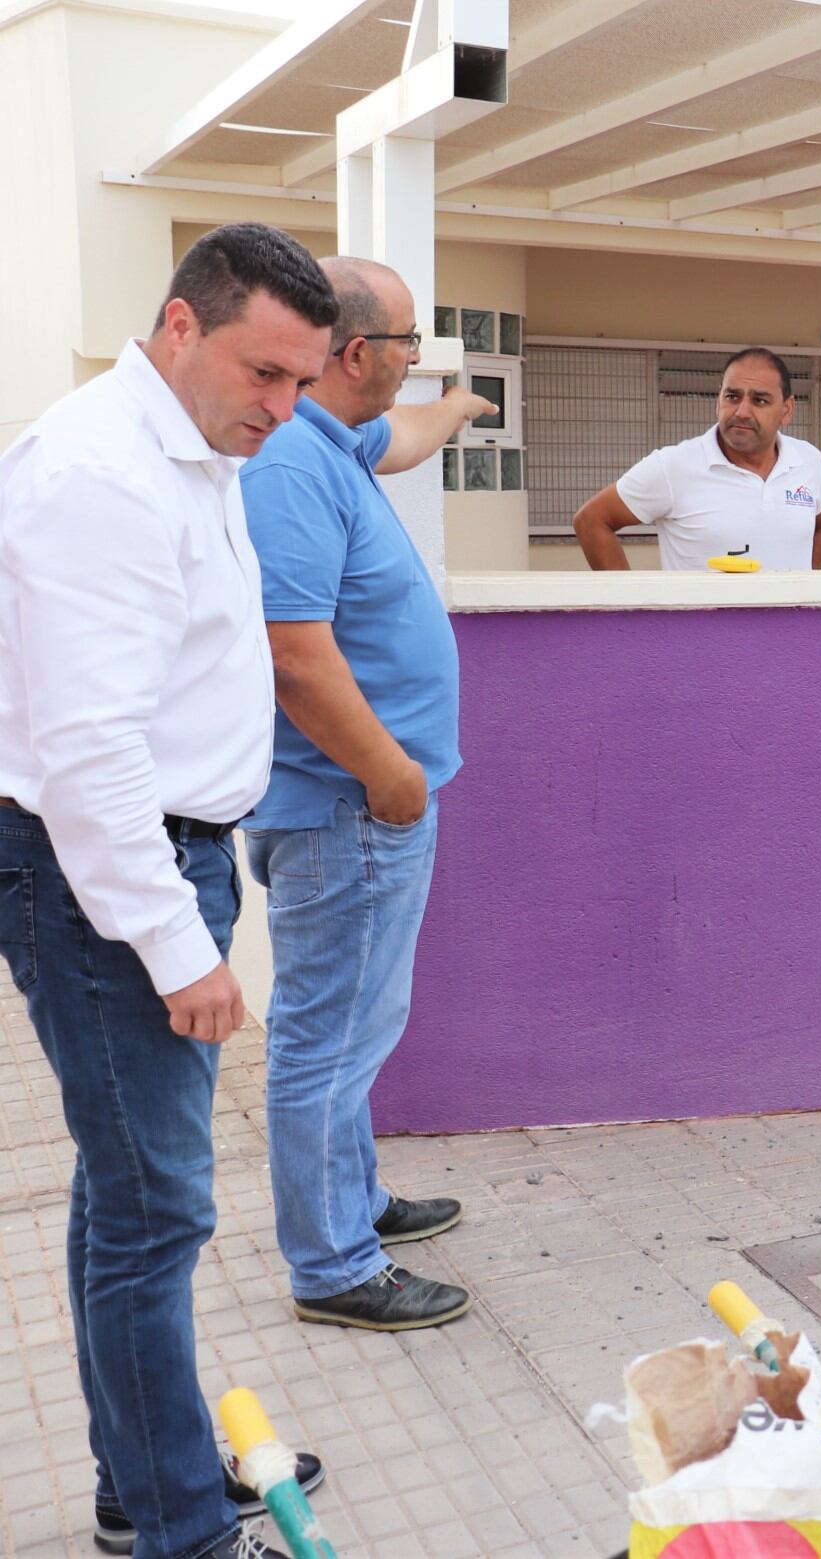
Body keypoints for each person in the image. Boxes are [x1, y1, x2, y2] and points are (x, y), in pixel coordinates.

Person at [0, 221, 339, 1559]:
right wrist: (176, 942)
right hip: (108, 879)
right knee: (157, 1211)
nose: (283, 407)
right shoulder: (101, 472)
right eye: (266, 373)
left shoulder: (192, 447)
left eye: (305, 381)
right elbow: (87, 747)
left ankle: (144, 1471)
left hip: (164, 857)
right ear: (181, 323)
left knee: (128, 1191)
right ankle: (180, 1530)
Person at [237, 257, 498, 1333]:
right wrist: (391, 778)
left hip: (361, 808)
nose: (412, 364)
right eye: (407, 347)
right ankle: (333, 1263)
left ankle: (355, 1203)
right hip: (349, 808)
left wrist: (458, 402)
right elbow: (293, 655)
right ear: (357, 355)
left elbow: (403, 437)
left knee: (354, 1025)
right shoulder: (291, 465)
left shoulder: (333, 440)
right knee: (326, 1035)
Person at [571, 347, 821, 571]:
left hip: (789, 630)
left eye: (760, 400)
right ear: (718, 401)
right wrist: (628, 610)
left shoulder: (809, 461)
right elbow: (592, 520)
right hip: (701, 630)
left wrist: (804, 593)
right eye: (732, 396)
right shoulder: (673, 466)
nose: (742, 411)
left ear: (787, 410)